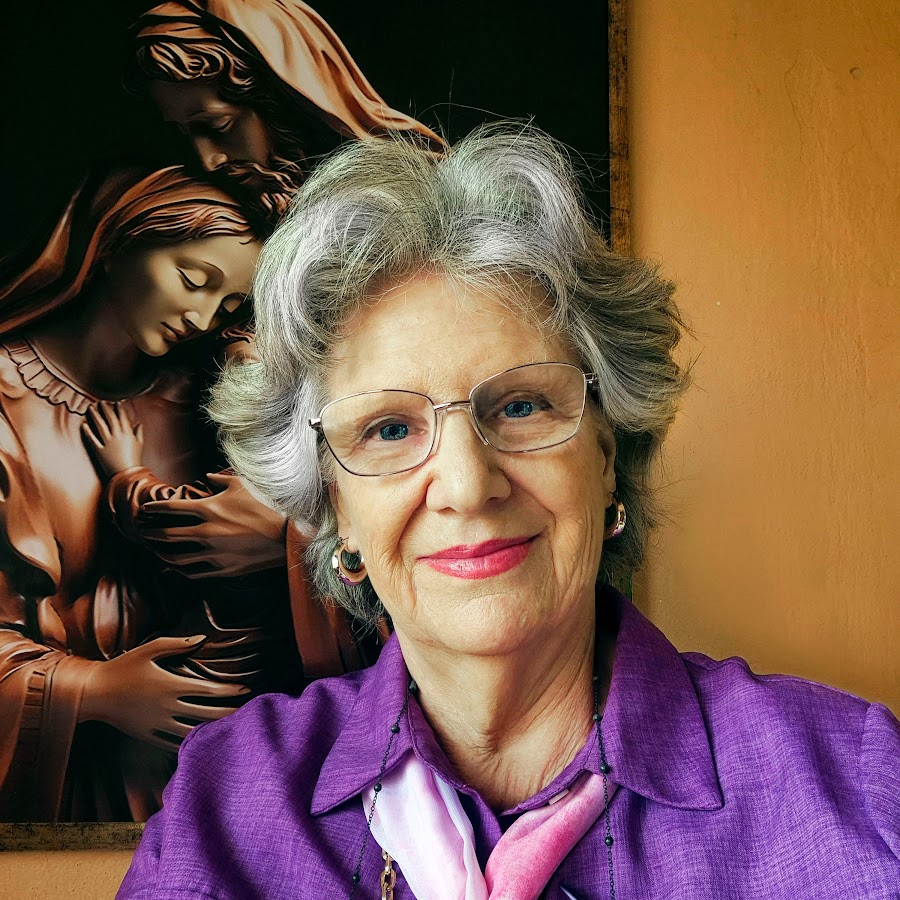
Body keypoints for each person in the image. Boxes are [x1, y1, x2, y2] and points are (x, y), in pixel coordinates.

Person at [117, 126, 899, 898]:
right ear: (337, 509)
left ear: (606, 456)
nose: (466, 485)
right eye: (389, 429)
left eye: (521, 405)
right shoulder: (225, 805)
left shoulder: (858, 791)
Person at [0, 167, 347, 823]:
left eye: (230, 306)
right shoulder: (4, 399)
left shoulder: (205, 400)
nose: (203, 318)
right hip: (66, 781)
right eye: (194, 279)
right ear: (115, 241)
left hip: (208, 753)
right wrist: (91, 689)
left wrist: (288, 544)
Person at [131, 0, 444, 220]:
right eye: (184, 133)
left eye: (217, 127)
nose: (208, 161)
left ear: (283, 102)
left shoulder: (401, 198)